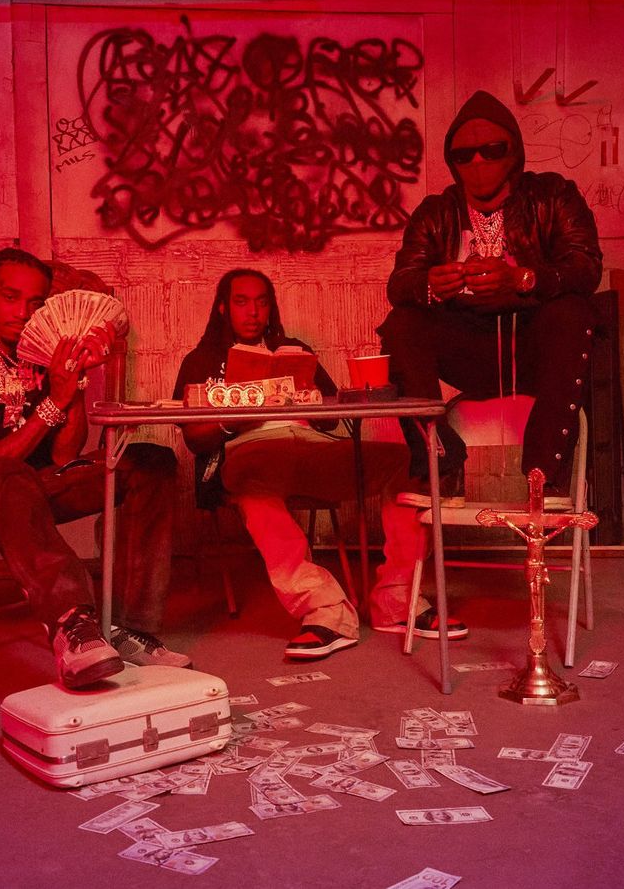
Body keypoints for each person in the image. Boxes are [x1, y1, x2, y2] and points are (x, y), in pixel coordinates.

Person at [0, 248, 188, 689]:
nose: (23, 312)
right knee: (7, 471)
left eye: (35, 302)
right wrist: (53, 403)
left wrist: (73, 383)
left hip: (34, 483)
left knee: (149, 461)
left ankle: (128, 627)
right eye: (10, 297)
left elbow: (63, 456)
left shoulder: (44, 351)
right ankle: (73, 627)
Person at [172, 269, 467, 661]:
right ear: (224, 308)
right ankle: (324, 607)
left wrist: (310, 396)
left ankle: (398, 598)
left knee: (407, 461)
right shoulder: (202, 360)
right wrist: (236, 417)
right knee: (251, 486)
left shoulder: (294, 349)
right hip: (253, 451)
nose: (253, 312)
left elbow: (332, 419)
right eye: (241, 302)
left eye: (262, 302)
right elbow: (194, 439)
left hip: (312, 447)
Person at [378, 90, 602, 505]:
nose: (478, 162)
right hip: (470, 349)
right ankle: (440, 466)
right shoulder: (436, 212)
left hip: (534, 343)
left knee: (573, 312)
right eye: (464, 155)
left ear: (513, 152)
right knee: (402, 325)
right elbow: (400, 282)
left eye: (492, 150)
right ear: (452, 162)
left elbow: (585, 267)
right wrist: (430, 285)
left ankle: (544, 477)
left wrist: (522, 278)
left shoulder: (553, 195)